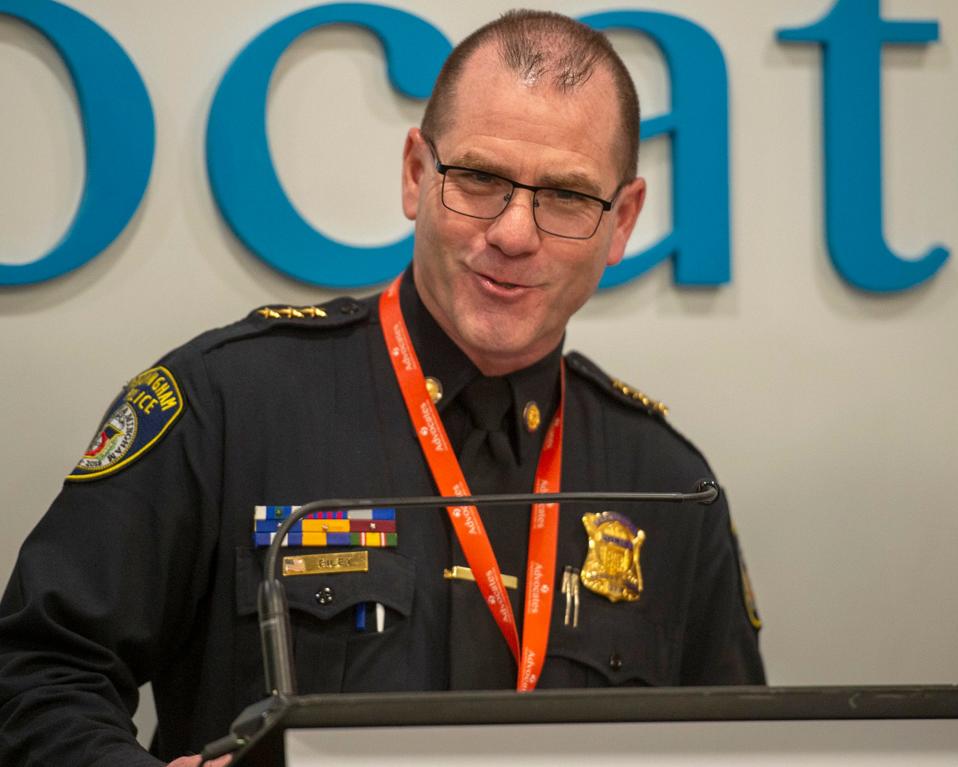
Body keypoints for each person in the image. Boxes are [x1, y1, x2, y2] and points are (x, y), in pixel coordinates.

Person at [0, 10, 764, 766]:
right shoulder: (229, 404)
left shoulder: (670, 489)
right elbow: (34, 672)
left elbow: (739, 754)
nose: (514, 232)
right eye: (480, 177)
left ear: (622, 220)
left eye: (566, 196)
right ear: (415, 175)